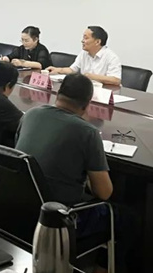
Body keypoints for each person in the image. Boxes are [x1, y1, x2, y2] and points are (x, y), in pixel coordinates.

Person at [16, 73, 112, 206]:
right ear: (87, 105)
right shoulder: (88, 132)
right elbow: (104, 193)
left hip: (19, 201)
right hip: (59, 211)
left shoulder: (30, 114)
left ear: (57, 94)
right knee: (122, 213)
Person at [46, 26, 121, 86]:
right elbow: (72, 70)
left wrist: (90, 76)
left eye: (86, 38)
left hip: (104, 92)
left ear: (97, 42)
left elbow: (116, 80)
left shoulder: (111, 57)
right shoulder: (84, 53)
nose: (82, 41)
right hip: (86, 90)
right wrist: (57, 70)